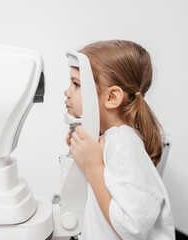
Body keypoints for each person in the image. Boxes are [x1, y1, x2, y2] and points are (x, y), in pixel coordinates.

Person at [65, 40, 175, 239]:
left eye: (76, 84)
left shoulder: (124, 143)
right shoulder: (110, 139)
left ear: (112, 97)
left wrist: (93, 167)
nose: (67, 92)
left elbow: (133, 226)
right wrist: (81, 153)